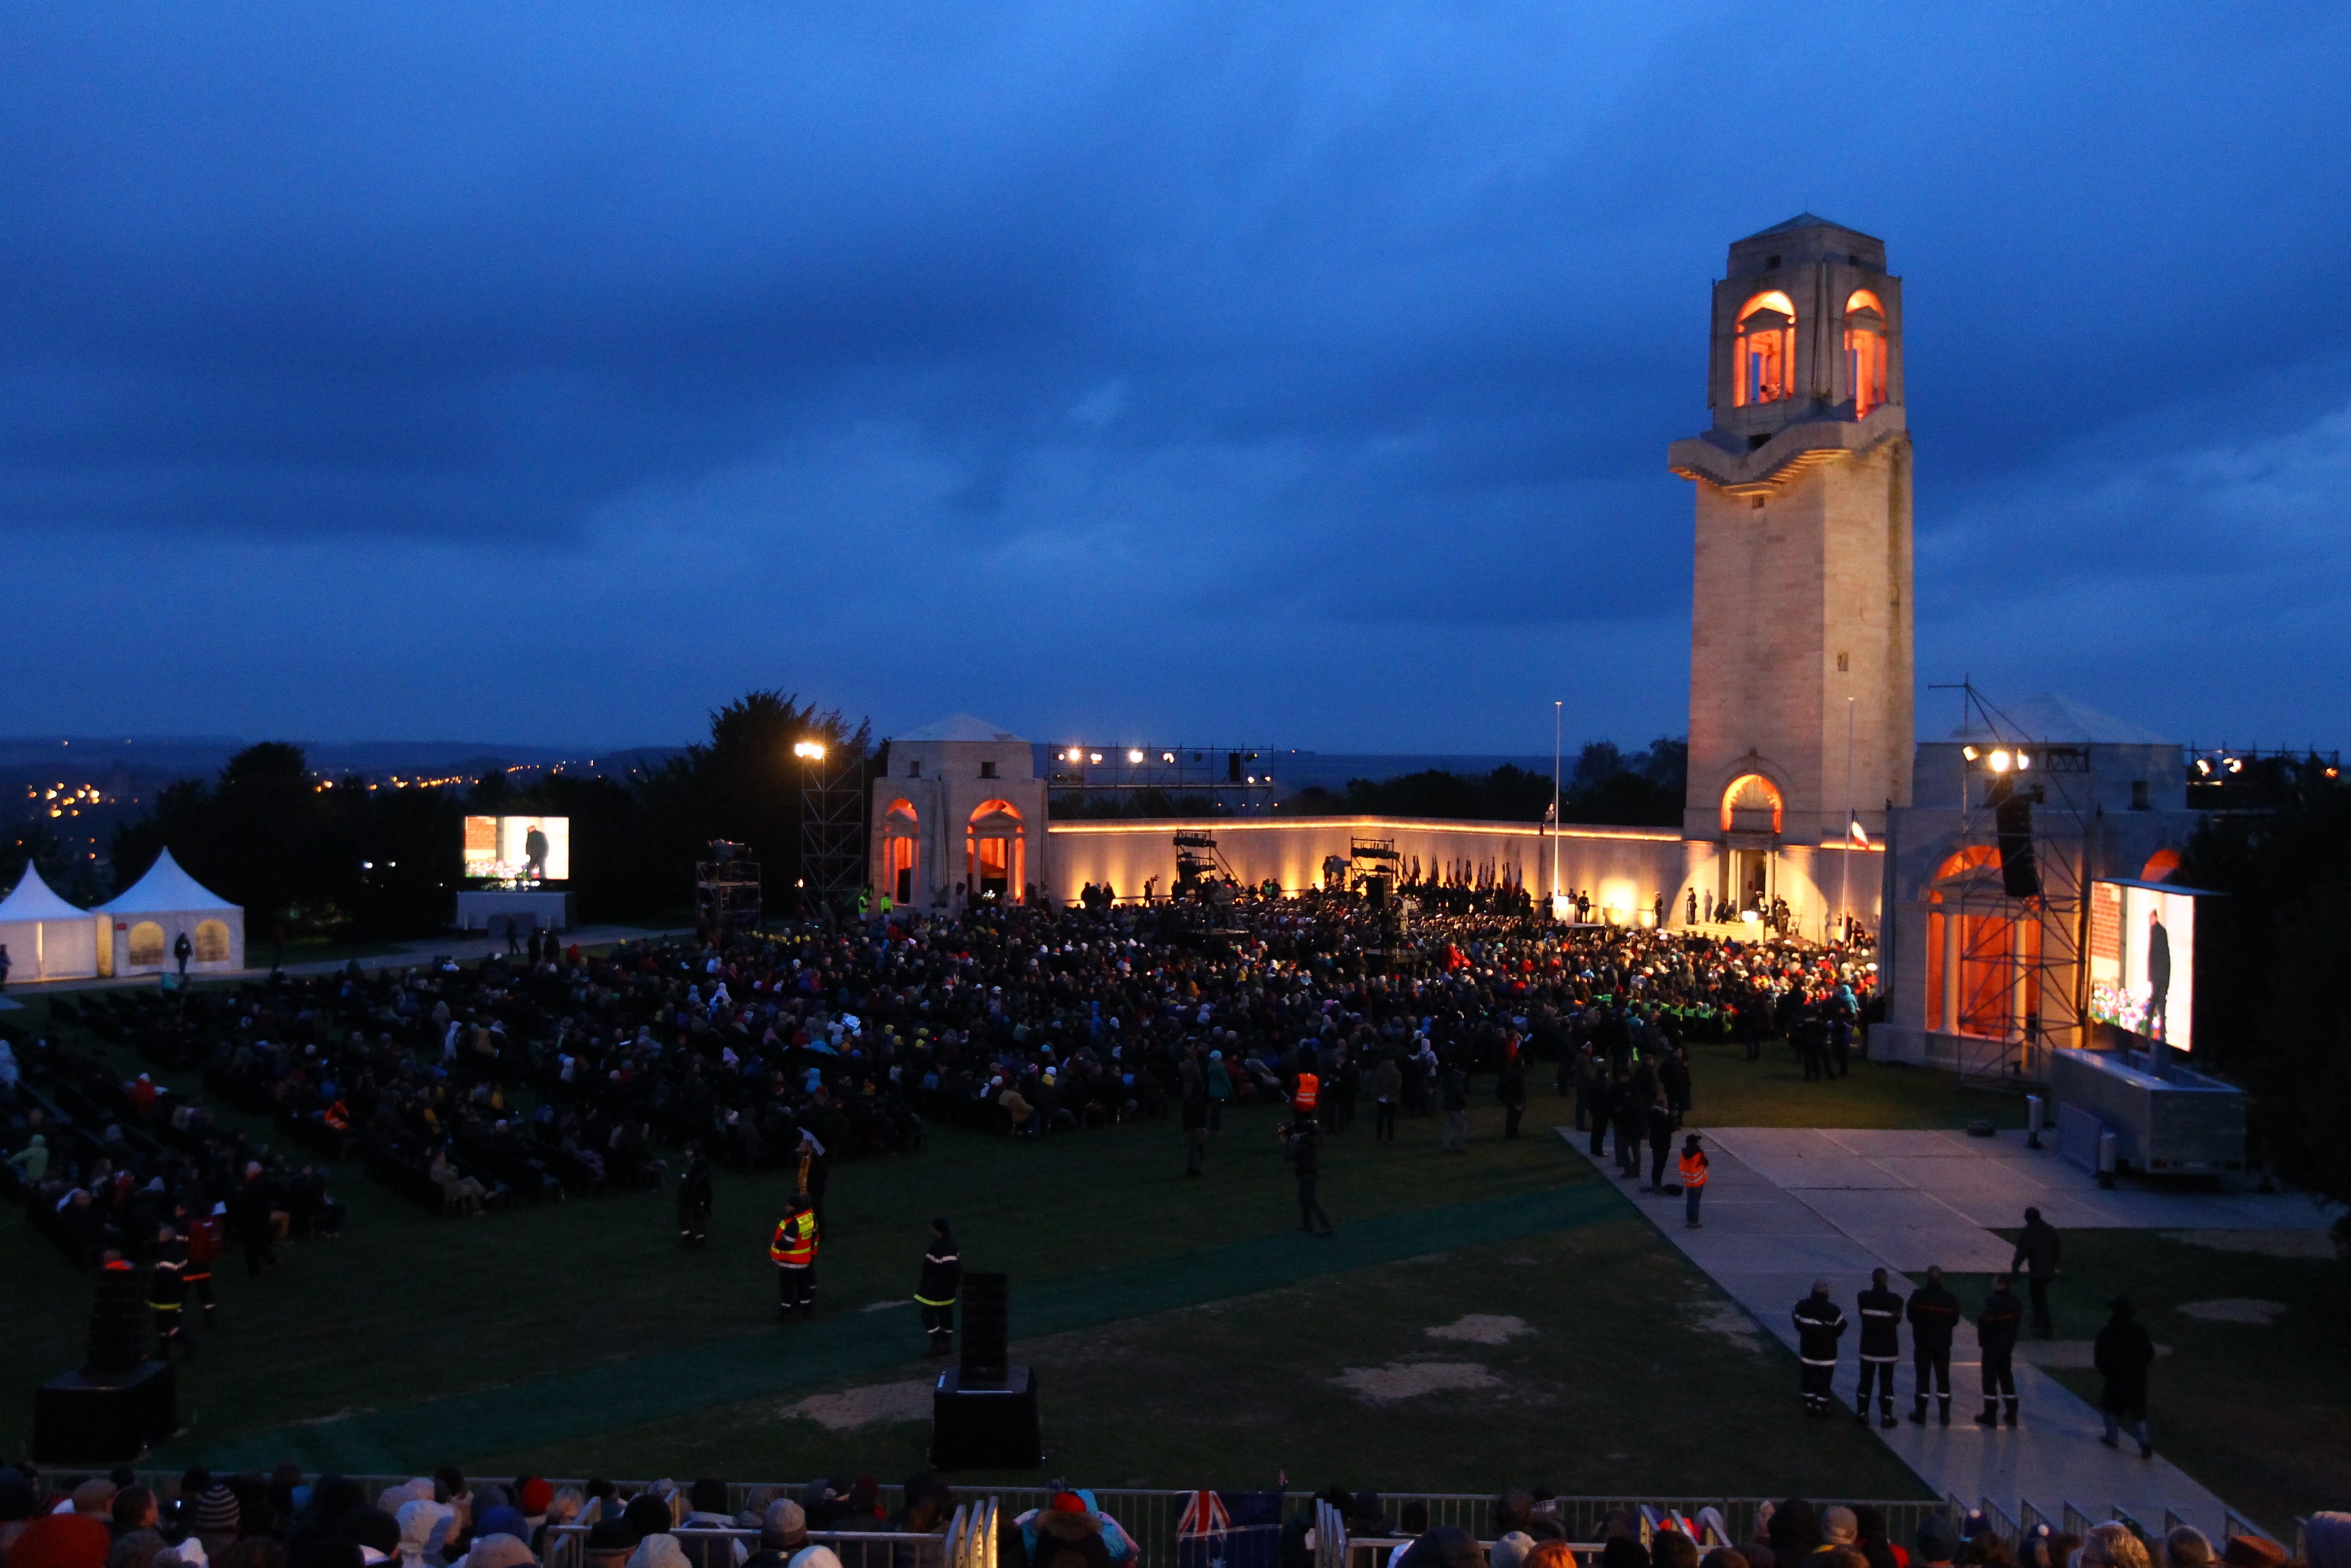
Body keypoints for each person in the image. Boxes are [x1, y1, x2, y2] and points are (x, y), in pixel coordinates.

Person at [2095, 1295, 2156, 1456]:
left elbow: (2100, 1356)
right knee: (2138, 1412)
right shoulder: (2139, 1331)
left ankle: (2112, 1437)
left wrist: (2107, 1370)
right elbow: (2150, 1353)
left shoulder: (2108, 1332)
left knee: (2110, 1408)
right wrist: (2140, 1366)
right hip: (2137, 1378)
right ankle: (2145, 1442)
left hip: (2116, 1378)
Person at [1906, 1264, 1960, 1425]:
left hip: (1923, 1342)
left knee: (1923, 1377)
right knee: (1943, 1377)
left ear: (1927, 1278)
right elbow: (1955, 1320)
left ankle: (1921, 1414)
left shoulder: (1918, 1296)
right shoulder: (1950, 1299)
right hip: (1943, 1344)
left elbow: (1911, 1316)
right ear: (1941, 1279)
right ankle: (1944, 1415)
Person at [1854, 1267, 1902, 1427]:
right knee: (1887, 1383)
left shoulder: (1864, 1298)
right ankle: (1887, 1416)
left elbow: (1862, 1302)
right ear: (1886, 1281)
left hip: (1869, 1347)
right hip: (1888, 1349)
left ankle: (1862, 1414)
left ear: (1873, 1281)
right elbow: (1897, 1319)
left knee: (1865, 1381)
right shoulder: (1895, 1301)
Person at [1791, 1279, 1846, 1416]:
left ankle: (1809, 1403)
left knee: (1807, 1377)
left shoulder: (1802, 1306)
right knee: (1825, 1380)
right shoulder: (1834, 1310)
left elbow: (1798, 1324)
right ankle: (1822, 1406)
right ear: (1827, 1294)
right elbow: (1840, 1329)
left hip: (1808, 1352)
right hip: (1827, 1355)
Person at [1975, 1273, 2024, 1428]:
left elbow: (1985, 1324)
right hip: (2007, 1346)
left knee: (1989, 1380)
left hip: (1992, 1346)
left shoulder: (1993, 1302)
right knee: (2006, 1378)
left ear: (2000, 1284)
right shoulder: (2015, 1302)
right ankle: (2011, 1413)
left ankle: (1990, 1414)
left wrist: (1983, 1341)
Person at [2011, 1207, 2061, 1338]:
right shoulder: (2050, 1230)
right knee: (2040, 1296)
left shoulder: (2029, 1232)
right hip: (2048, 1270)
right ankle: (2040, 1322)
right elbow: (2057, 1249)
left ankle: (2044, 1325)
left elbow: (2022, 1251)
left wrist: (2015, 1267)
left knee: (2038, 1297)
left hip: (2038, 1271)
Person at [147, 1225, 194, 1361]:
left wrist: (152, 1288)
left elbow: (162, 1276)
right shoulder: (179, 1250)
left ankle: (188, 1343)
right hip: (177, 1292)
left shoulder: (167, 1254)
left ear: (164, 1237)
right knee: (162, 1323)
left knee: (167, 1324)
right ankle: (163, 1350)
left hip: (166, 1296)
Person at [770, 1191, 819, 1321]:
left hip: (790, 1262)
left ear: (794, 1207)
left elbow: (788, 1244)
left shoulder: (792, 1223)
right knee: (804, 1285)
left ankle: (785, 1312)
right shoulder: (809, 1217)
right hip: (804, 1261)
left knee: (787, 1288)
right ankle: (807, 1309)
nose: (786, 1207)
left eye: (788, 1205)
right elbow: (814, 1235)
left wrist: (777, 1242)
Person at [916, 1218, 960, 1357]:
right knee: (945, 1314)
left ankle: (939, 1342)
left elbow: (951, 1267)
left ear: (936, 1229)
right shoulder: (946, 1243)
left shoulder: (945, 1246)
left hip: (939, 1289)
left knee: (927, 1314)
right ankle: (946, 1344)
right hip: (945, 1288)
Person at [1282, 1120, 1334, 1234]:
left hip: (1307, 1174)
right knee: (1304, 1199)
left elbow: (1288, 1156)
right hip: (1308, 1173)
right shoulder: (1307, 1141)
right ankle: (1308, 1224)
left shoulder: (1303, 1143)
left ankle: (1326, 1225)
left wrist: (1286, 1143)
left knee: (1310, 1200)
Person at [676, 1143, 713, 1247]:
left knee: (698, 1215)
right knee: (684, 1214)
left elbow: (702, 1179)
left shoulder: (700, 1162)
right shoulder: (691, 1161)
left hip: (698, 1193)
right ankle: (687, 1235)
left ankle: (700, 1238)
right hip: (688, 1192)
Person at [1676, 1134, 1708, 1228]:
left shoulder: (1683, 1152)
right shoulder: (1699, 1153)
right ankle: (1695, 1221)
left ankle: (1689, 1220)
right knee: (1696, 1201)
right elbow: (1706, 1163)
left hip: (1688, 1180)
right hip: (1698, 1181)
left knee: (1689, 1200)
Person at [1439, 1061, 1470, 1154]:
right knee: (1462, 1126)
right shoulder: (1456, 1079)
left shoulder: (1446, 1077)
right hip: (1456, 1106)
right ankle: (1459, 1147)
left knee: (1448, 1126)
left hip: (1448, 1105)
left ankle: (1446, 1146)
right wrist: (1463, 1103)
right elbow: (1458, 1093)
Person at [1372, 1052, 1402, 1143]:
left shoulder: (1378, 1071)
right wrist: (1390, 1094)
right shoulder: (1396, 1072)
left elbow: (1375, 1084)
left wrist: (1382, 1094)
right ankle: (1391, 1138)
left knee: (1380, 1118)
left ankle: (1379, 1138)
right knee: (1391, 1119)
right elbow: (1398, 1086)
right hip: (1393, 1098)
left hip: (1381, 1097)